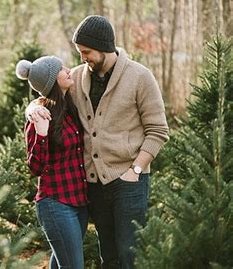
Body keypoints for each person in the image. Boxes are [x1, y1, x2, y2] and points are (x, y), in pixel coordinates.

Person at [27, 15, 169, 268]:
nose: (82, 58)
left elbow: (158, 130)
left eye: (86, 51)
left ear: (104, 47)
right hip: (94, 184)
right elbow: (50, 95)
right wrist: (32, 108)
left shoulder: (140, 77)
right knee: (109, 256)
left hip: (129, 181)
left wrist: (135, 170)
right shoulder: (78, 77)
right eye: (79, 52)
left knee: (130, 254)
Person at [16, 56, 88, 269]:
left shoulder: (70, 107)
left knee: (61, 263)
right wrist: (41, 134)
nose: (68, 70)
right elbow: (35, 167)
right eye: (60, 69)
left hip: (79, 201)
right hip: (56, 202)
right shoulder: (41, 116)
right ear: (50, 81)